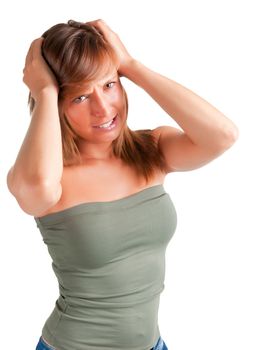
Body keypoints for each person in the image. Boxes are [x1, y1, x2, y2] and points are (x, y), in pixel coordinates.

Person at [6, 19, 239, 350]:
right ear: (58, 107)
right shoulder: (47, 176)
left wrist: (131, 65)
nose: (103, 108)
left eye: (109, 85)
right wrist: (44, 91)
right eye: (79, 98)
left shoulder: (151, 150)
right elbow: (38, 189)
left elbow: (222, 136)